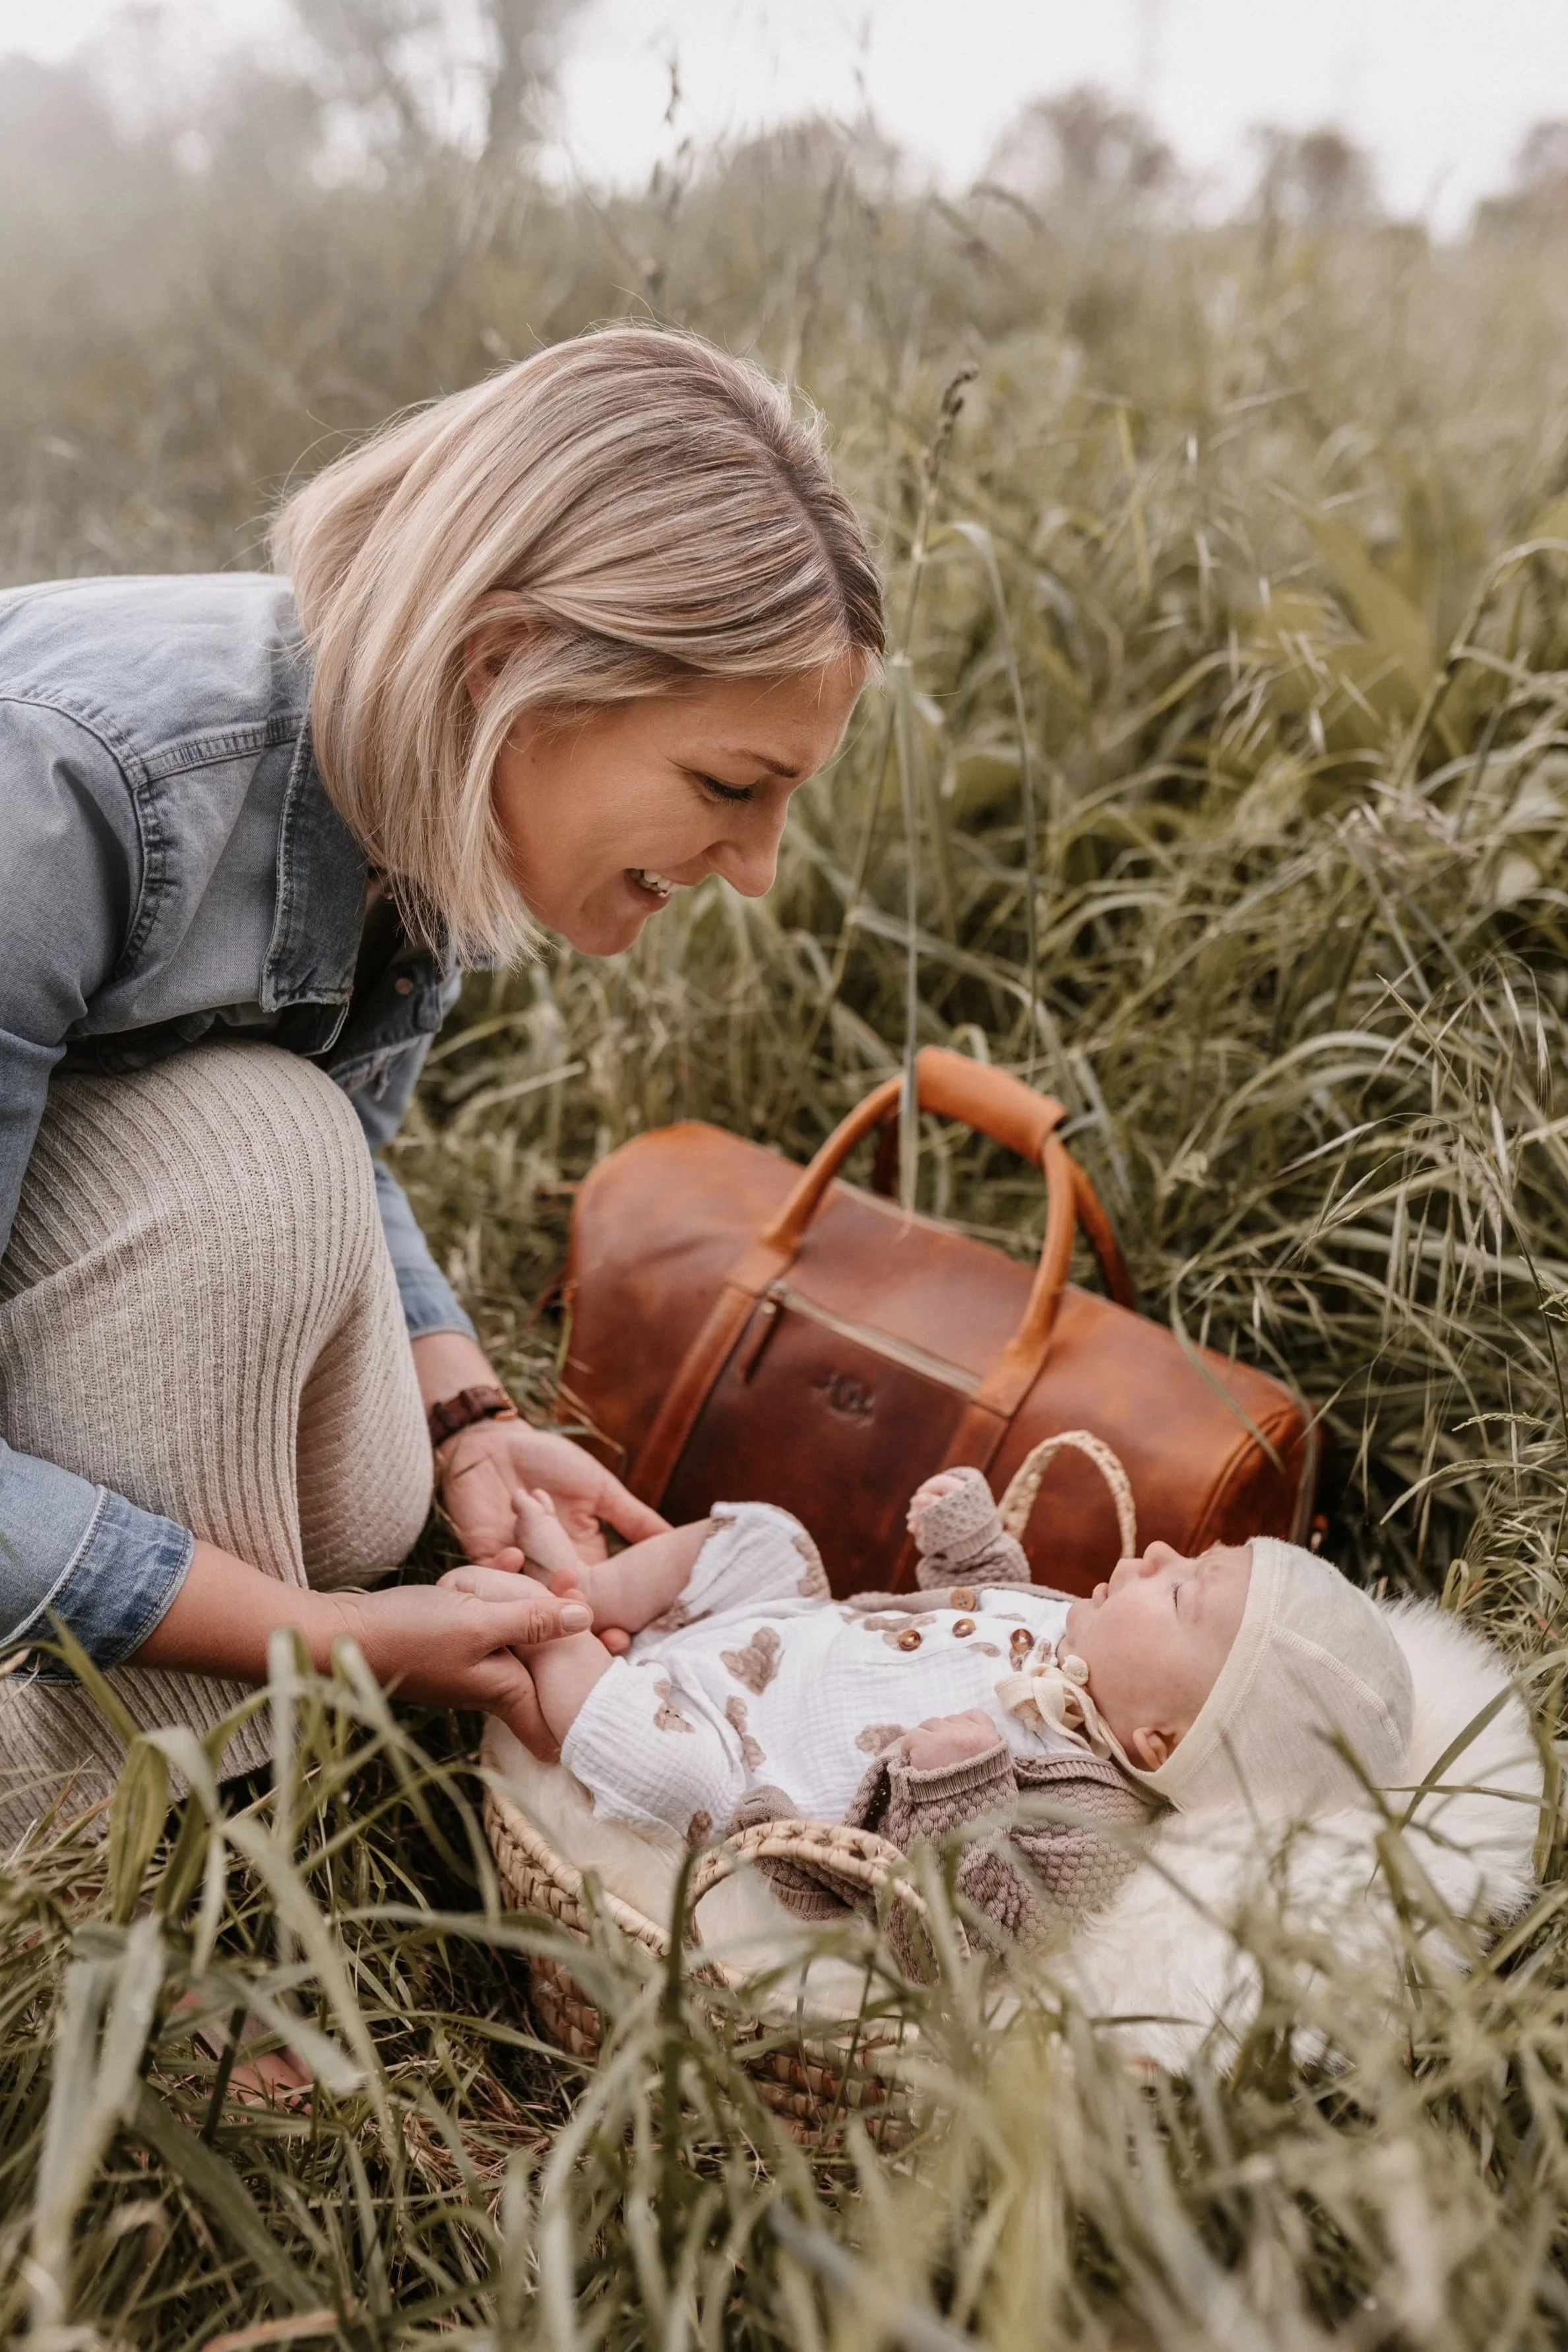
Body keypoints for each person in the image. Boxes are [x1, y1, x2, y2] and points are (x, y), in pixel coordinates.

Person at [0, 325, 883, 1833]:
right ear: (509, 667)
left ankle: (136, 1763)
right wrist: (325, 1644)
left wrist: (471, 1420)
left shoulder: (422, 780)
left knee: (360, 1481)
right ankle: (121, 1895)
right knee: (259, 1179)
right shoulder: (67, 785)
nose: (758, 867)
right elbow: (276, 1152)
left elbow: (336, 1131)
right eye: (731, 787)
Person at [452, 1468, 1416, 1951]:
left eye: (1183, 1596)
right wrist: (969, 1547)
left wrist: (958, 1783)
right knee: (765, 1538)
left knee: (665, 1769)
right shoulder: (1079, 1630)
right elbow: (979, 1607)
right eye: (1195, 1556)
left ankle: (553, 1630)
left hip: (747, 1751)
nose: (1160, 1559)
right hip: (782, 1638)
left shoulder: (1087, 1822)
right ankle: (597, 1589)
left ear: (1153, 1740)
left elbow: (962, 1933)